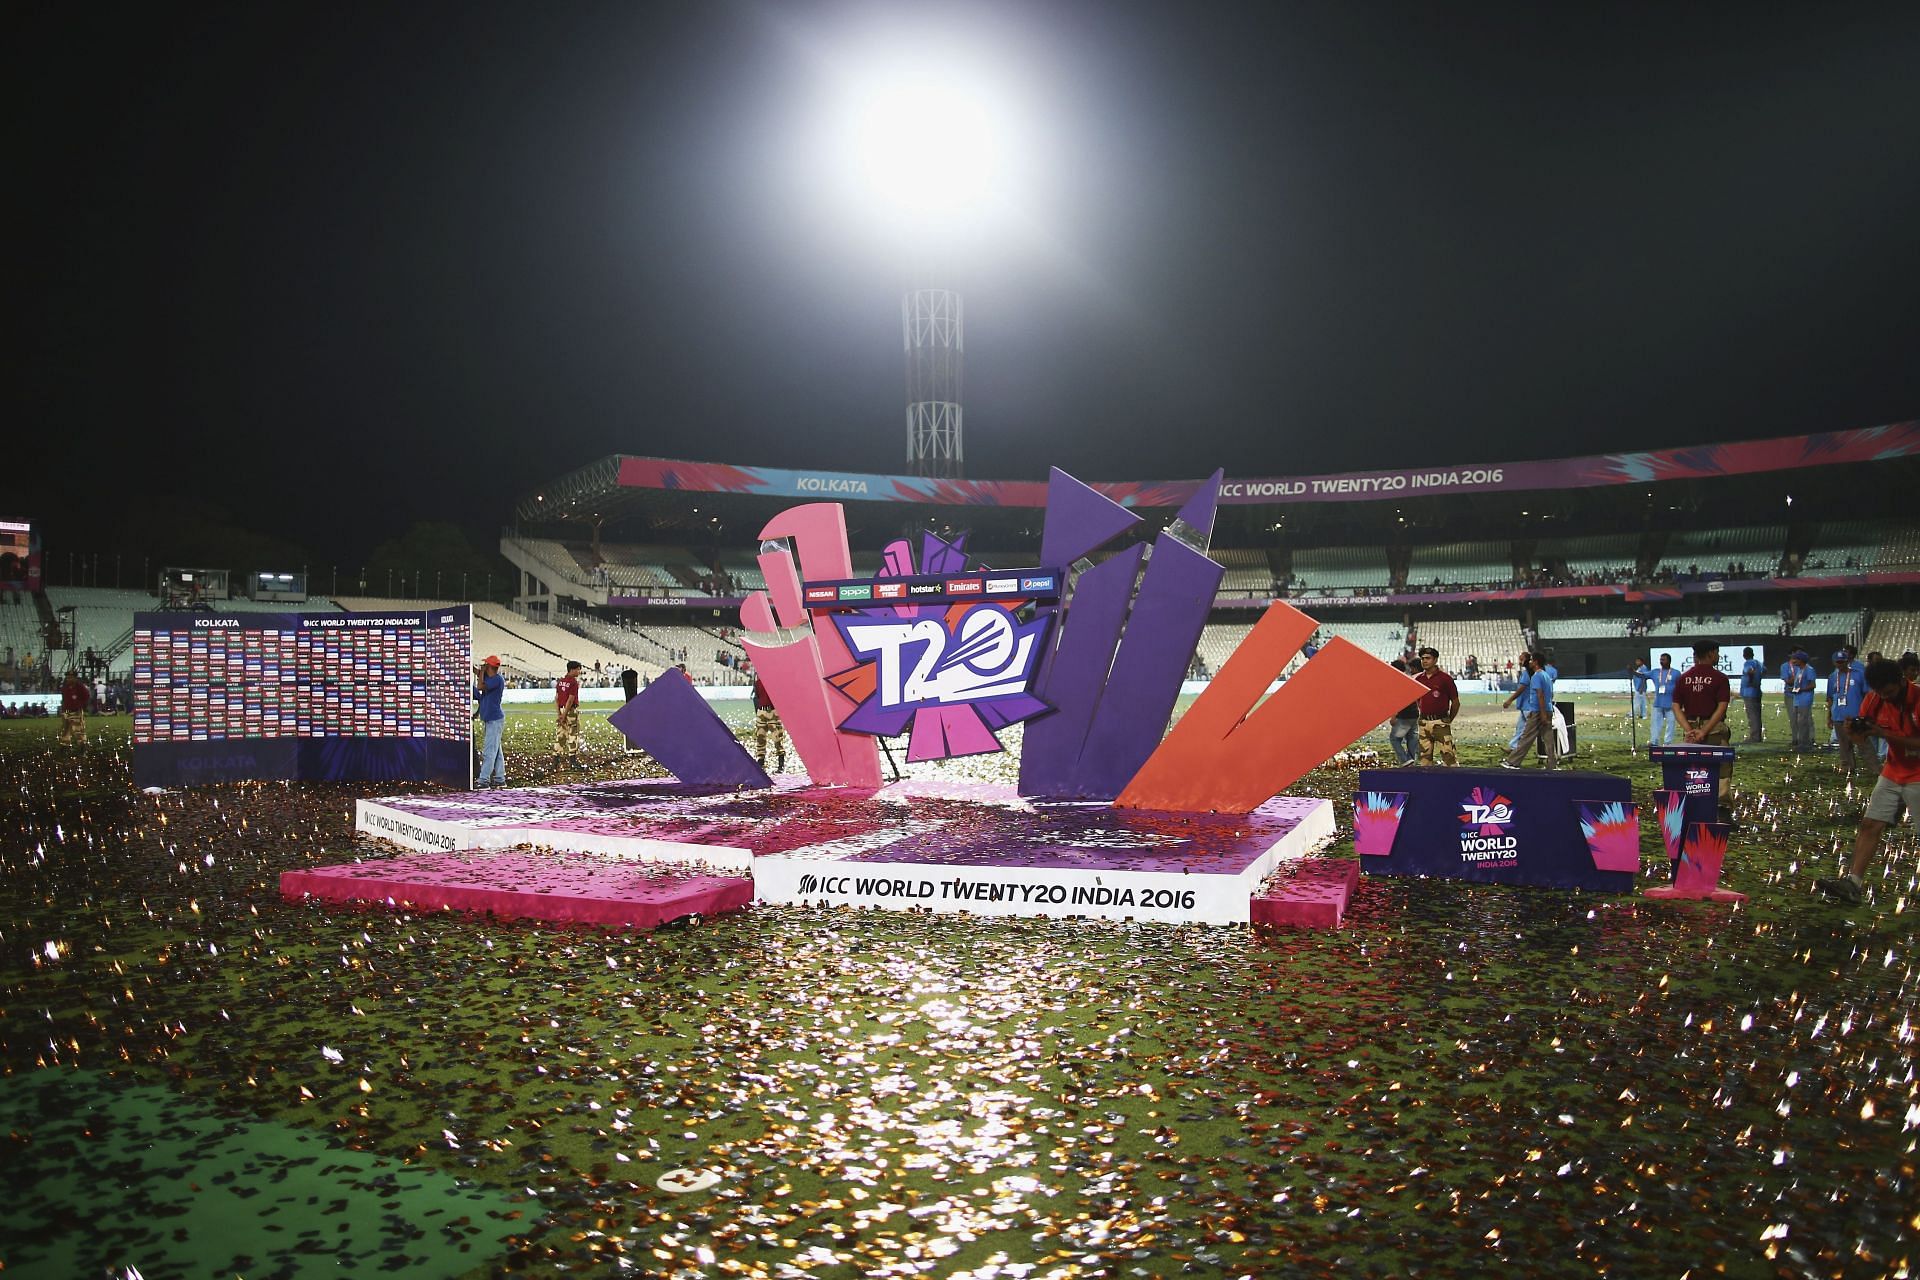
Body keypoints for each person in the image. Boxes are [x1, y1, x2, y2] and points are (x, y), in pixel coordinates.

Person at [1816, 658, 1920, 904]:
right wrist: (1855, 732)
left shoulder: (1918, 699)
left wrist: (1884, 734)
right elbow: (1861, 740)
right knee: (1870, 825)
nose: (1886, 698)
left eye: (1890, 693)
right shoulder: (1875, 699)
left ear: (1901, 681)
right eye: (1881, 693)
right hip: (1893, 771)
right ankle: (1853, 883)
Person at [1673, 640, 1733, 802]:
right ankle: (1721, 809)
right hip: (1713, 730)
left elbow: (1676, 707)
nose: (1718, 656)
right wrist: (1704, 731)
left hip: (1691, 731)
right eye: (1717, 653)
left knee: (1693, 770)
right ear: (1711, 654)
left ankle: (1695, 806)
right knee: (1721, 769)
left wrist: (1689, 730)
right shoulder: (1720, 678)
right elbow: (1721, 708)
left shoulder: (1684, 678)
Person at [1501, 653, 1558, 770]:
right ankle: (1552, 764)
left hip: (1537, 711)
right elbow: (1549, 694)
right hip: (1547, 709)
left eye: (1531, 660)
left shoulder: (1536, 676)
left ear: (1536, 662)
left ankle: (1512, 762)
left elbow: (1540, 695)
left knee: (1527, 737)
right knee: (1548, 739)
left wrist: (1541, 714)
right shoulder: (1546, 675)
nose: (1529, 662)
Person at [1414, 646, 1460, 766]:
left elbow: (1455, 702)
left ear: (1435, 660)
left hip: (1440, 721)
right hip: (1423, 723)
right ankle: (1426, 783)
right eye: (1422, 658)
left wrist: (1449, 719)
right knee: (1424, 759)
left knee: (1448, 756)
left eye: (1428, 658)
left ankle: (1453, 782)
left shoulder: (1445, 679)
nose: (1424, 661)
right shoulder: (1419, 679)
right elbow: (1417, 700)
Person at [1826, 647, 1867, 776]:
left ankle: (1874, 767)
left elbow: (1866, 694)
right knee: (1843, 744)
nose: (1841, 664)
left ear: (1847, 661)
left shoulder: (1858, 674)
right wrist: (1829, 716)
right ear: (1834, 663)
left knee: (1863, 743)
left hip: (1855, 715)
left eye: (1843, 661)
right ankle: (1847, 766)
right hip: (1838, 715)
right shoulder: (1832, 677)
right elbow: (1830, 698)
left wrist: (1865, 713)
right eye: (1838, 662)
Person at [474, 656, 506, 787]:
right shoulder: (490, 679)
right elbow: (482, 696)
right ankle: (499, 778)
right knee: (496, 750)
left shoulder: (497, 680)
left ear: (489, 667)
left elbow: (480, 686)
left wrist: (480, 672)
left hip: (494, 719)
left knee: (489, 751)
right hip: (491, 719)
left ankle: (484, 780)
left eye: (485, 665)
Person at [1387, 652, 1420, 766]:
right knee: (1412, 738)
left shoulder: (1397, 682)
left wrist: (1393, 716)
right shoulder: (1409, 679)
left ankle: (1405, 760)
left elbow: (1397, 701)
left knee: (1394, 739)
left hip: (1403, 715)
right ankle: (1412, 761)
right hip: (1414, 713)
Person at [751, 672, 786, 774]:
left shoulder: (769, 682)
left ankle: (780, 764)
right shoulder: (758, 682)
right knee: (760, 738)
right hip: (763, 711)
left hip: (771, 711)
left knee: (777, 738)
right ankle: (761, 762)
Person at [1784, 651, 1817, 752]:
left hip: (1805, 699)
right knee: (1799, 722)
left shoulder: (1809, 670)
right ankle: (1802, 742)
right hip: (1797, 699)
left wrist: (1801, 689)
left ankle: (1805, 744)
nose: (1793, 661)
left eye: (1795, 659)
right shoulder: (1799, 670)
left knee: (1803, 722)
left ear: (1801, 660)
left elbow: (1813, 685)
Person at [555, 660, 583, 767]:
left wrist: (560, 714)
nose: (579, 672)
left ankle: (556, 759)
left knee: (560, 735)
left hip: (561, 709)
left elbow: (557, 698)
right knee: (573, 734)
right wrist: (565, 715)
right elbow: (570, 700)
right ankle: (572, 760)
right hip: (570, 711)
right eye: (578, 669)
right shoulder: (573, 682)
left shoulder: (561, 681)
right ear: (573, 669)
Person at [1648, 653, 1679, 746]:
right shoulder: (1655, 672)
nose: (1661, 662)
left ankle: (1668, 743)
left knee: (1671, 723)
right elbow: (1642, 676)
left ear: (1669, 661)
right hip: (1658, 703)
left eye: (1663, 660)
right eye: (1660, 660)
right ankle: (1654, 741)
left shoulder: (1676, 673)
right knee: (1655, 724)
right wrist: (1633, 671)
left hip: (1671, 703)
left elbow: (1680, 688)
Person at [1738, 646, 1764, 743]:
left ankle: (1754, 737)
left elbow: (1750, 670)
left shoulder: (1748, 663)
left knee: (1752, 715)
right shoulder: (1759, 663)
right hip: (1757, 691)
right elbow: (1765, 670)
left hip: (1749, 692)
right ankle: (1758, 735)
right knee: (1757, 715)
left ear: (1744, 655)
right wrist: (1758, 679)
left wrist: (1751, 680)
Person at [58, 669, 89, 747]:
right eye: (68, 677)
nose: (69, 679)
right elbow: (64, 698)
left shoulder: (80, 686)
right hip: (66, 711)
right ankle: (64, 744)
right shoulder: (65, 686)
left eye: (71, 677)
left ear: (75, 678)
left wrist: (79, 705)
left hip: (75, 711)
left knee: (78, 730)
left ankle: (82, 746)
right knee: (65, 729)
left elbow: (86, 696)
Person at [1631, 657, 1652, 723]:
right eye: (1636, 661)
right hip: (1638, 687)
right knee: (1642, 702)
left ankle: (1633, 714)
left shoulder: (1644, 668)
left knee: (1637, 701)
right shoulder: (1639, 668)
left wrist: (1641, 688)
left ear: (1642, 662)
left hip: (1640, 688)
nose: (1637, 662)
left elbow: (1644, 678)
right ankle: (1643, 715)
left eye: (1638, 661)